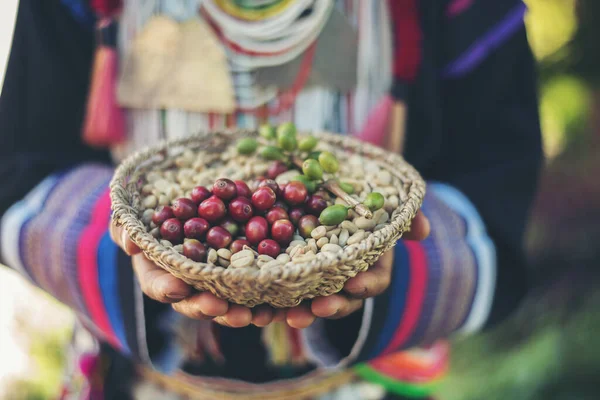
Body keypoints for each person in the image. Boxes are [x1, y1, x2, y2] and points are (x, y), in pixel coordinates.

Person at [0, 0, 542, 399]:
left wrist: (387, 263)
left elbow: (496, 197)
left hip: (367, 384)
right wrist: (134, 246)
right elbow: (21, 182)